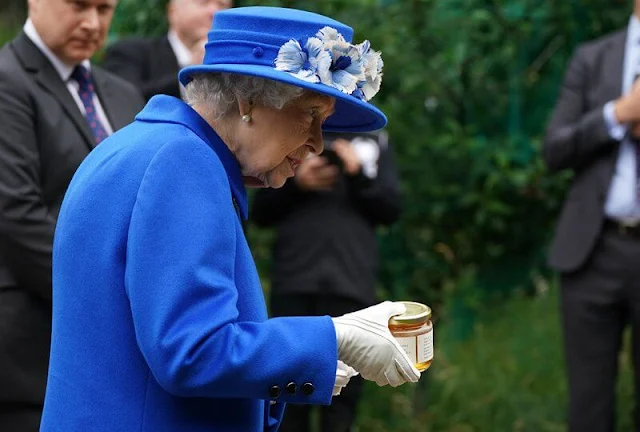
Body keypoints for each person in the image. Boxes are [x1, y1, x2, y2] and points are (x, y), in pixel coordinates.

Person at [39, 6, 420, 432]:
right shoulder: (183, 161)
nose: (317, 143)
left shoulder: (145, 144)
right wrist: (332, 338)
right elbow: (193, 350)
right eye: (311, 115)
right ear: (247, 102)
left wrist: (296, 363)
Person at [0, 0, 144, 430]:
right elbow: (15, 214)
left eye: (104, 8)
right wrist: (113, 300)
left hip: (118, 355)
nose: (92, 23)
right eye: (79, 5)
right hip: (33, 345)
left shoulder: (122, 93)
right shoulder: (6, 82)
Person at [251, 130, 402, 432]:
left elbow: (391, 209)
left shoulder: (375, 139)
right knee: (289, 392)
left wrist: (357, 173)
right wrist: (296, 183)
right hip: (295, 283)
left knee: (342, 403)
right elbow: (259, 212)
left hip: (351, 287)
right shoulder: (295, 131)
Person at [543, 2, 640, 430]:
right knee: (589, 405)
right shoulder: (593, 57)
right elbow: (555, 149)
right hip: (592, 252)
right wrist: (617, 114)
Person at [103, 0, 232, 101]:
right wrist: (190, 76)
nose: (215, 12)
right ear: (173, 12)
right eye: (203, 2)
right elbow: (122, 102)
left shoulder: (235, 65)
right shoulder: (131, 51)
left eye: (223, 5)